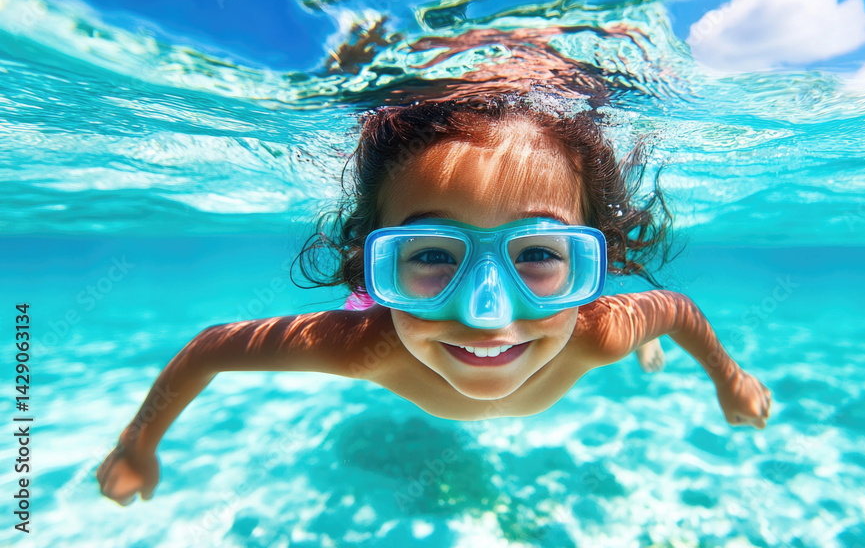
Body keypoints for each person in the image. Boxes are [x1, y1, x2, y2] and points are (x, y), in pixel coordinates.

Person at [96, 92, 771, 506]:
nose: (485, 313)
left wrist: (729, 378)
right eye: (430, 254)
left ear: (600, 260)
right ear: (369, 261)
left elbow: (676, 311)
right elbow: (211, 349)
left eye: (537, 253)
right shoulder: (368, 346)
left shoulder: (602, 330)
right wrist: (138, 444)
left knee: (635, 325)